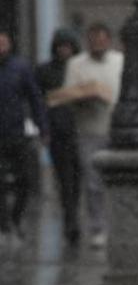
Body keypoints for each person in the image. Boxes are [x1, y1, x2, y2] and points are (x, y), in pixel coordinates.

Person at [58, 23, 123, 248]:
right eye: (93, 41)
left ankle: (118, 225)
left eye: (102, 40)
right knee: (93, 183)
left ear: (108, 41)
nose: (98, 44)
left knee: (118, 180)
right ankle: (98, 227)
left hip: (116, 129)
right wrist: (85, 95)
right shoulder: (76, 65)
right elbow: (66, 93)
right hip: (88, 130)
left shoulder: (120, 61)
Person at [0, 29, 49, 246]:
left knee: (24, 180)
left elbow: (35, 98)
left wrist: (43, 128)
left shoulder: (20, 68)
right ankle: (3, 225)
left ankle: (16, 218)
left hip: (17, 132)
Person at [36, 29, 82, 245]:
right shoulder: (45, 71)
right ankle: (70, 220)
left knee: (79, 177)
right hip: (58, 132)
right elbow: (38, 101)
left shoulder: (80, 68)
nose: (64, 50)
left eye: (67, 46)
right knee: (65, 179)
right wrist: (44, 129)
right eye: (60, 46)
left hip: (80, 130)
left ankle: (73, 214)